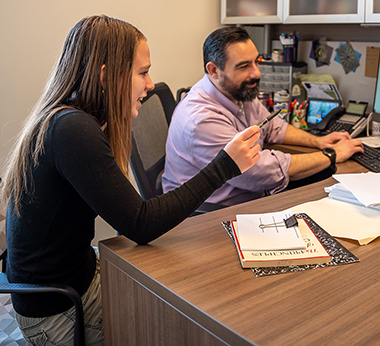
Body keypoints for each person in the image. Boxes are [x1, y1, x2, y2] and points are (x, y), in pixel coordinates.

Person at [0, 15, 261, 346]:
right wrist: (225, 166)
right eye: (143, 72)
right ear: (108, 76)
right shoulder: (73, 130)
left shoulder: (73, 118)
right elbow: (141, 223)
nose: (151, 84)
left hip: (71, 279)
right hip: (57, 312)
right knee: (178, 328)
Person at [162, 26, 364, 206]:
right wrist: (332, 155)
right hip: (211, 216)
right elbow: (258, 171)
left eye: (256, 62)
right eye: (243, 66)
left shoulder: (237, 91)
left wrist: (319, 142)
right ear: (214, 70)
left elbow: (273, 126)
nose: (256, 73)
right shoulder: (201, 119)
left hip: (247, 194)